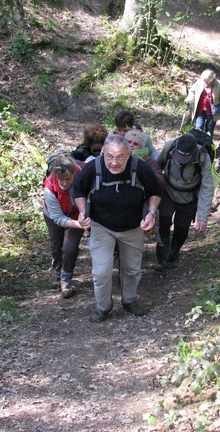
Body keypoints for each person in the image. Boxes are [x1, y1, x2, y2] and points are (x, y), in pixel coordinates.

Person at [73, 134, 163, 322]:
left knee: (132, 268)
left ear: (129, 154)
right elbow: (79, 190)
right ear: (103, 153)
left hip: (133, 227)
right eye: (109, 157)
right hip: (101, 226)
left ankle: (129, 301)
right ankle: (103, 307)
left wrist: (151, 213)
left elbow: (155, 192)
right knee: (101, 271)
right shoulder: (94, 167)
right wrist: (82, 212)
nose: (114, 162)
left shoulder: (140, 167)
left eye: (120, 157)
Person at [154, 133, 214, 270]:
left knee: (181, 228)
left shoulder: (203, 157)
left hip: (189, 197)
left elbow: (207, 187)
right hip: (168, 191)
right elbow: (157, 167)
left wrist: (202, 217)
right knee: (163, 221)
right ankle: (161, 258)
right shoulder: (170, 147)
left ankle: (173, 256)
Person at [43, 154, 86, 299]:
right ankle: (58, 273)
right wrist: (79, 225)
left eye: (68, 179)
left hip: (77, 213)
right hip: (54, 215)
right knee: (56, 245)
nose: (65, 183)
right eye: (61, 180)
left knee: (69, 247)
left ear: (74, 174)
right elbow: (58, 218)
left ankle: (66, 279)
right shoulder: (50, 188)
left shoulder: (83, 175)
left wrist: (84, 216)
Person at [185, 69, 220, 137]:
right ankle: (198, 145)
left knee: (209, 131)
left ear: (211, 79)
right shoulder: (199, 83)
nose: (205, 83)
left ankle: (207, 145)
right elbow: (192, 92)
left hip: (212, 112)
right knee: (198, 128)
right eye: (204, 81)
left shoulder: (219, 86)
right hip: (200, 110)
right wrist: (189, 100)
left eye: (207, 81)